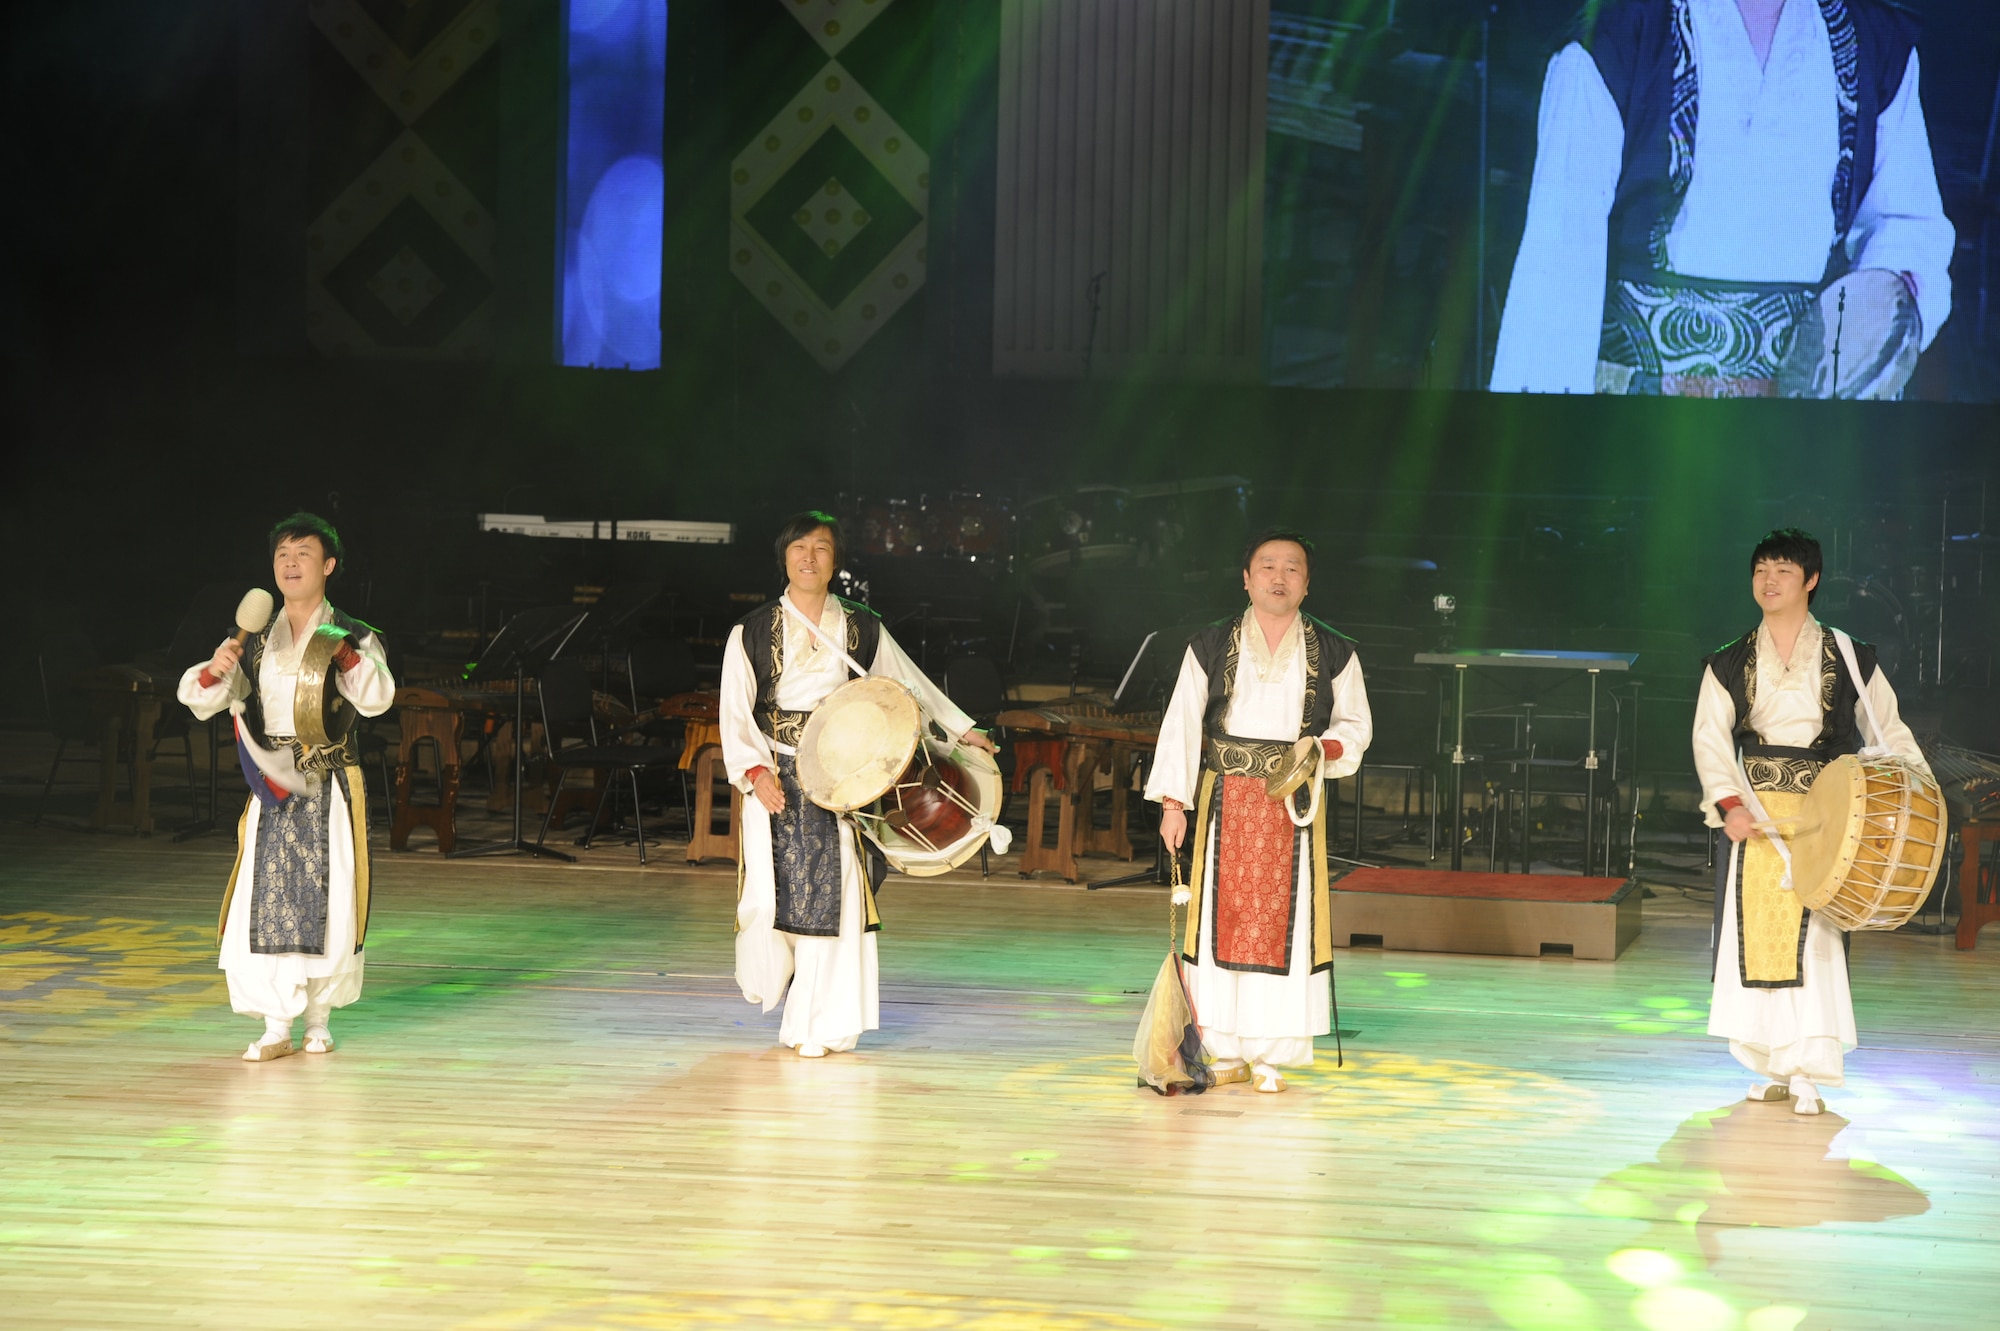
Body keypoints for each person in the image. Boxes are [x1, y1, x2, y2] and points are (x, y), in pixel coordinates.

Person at [1491, 0, 1953, 397]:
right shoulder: (1616, 38)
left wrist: (1868, 330)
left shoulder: (1874, 45)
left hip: (1805, 436)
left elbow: (1907, 227)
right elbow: (1556, 268)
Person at [719, 512, 995, 1058]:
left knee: (839, 899)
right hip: (777, 778)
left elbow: (906, 683)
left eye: (821, 548)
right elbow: (734, 709)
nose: (809, 557)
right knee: (776, 903)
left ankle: (823, 1025)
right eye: (799, 547)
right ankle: (797, 1007)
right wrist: (754, 772)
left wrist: (962, 730)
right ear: (784, 558)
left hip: (845, 780)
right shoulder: (749, 631)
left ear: (835, 562)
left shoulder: (862, 626)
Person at [1691, 527, 1929, 1114]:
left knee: (1816, 943)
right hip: (1756, 816)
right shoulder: (1729, 661)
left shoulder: (1849, 655)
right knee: (1754, 938)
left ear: (1811, 580)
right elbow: (1709, 739)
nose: (1768, 581)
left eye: (1783, 571)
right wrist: (1730, 804)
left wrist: (1914, 791)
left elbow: (1888, 729)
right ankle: (1772, 1064)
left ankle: (1808, 1071)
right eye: (1760, 570)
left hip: (1826, 816)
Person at [1144, 531, 1372, 1093]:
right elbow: (1181, 723)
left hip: (1291, 806)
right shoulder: (1210, 643)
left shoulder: (1335, 650)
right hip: (1224, 802)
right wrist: (1174, 803)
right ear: (1246, 579)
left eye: (1292, 568)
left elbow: (1355, 726)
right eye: (1267, 566)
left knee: (1285, 925)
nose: (1279, 577)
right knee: (1218, 921)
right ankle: (1222, 1048)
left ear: (1307, 583)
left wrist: (1320, 749)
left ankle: (1272, 1052)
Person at [177, 513, 396, 1060]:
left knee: (330, 896)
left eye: (303, 554)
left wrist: (345, 655)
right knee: (266, 898)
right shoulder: (254, 637)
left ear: (328, 565)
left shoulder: (352, 633)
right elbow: (202, 697)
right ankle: (276, 1025)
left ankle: (318, 1021)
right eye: (282, 554)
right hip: (274, 782)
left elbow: (378, 698)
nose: (291, 563)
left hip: (329, 781)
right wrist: (215, 670)